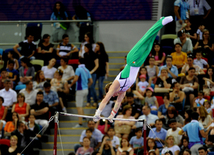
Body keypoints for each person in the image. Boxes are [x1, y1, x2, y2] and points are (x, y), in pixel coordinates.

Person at [94, 16, 173, 122]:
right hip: (138, 64)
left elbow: (105, 99)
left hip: (131, 60)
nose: (113, 96)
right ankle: (160, 23)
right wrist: (112, 116)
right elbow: (118, 103)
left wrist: (97, 113)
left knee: (145, 39)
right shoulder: (123, 91)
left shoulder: (115, 85)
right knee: (150, 43)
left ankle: (161, 21)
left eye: (112, 94)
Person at [69, 58, 93, 127]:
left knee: (78, 106)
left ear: (78, 62)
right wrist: (86, 86)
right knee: (81, 105)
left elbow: (75, 79)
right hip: (86, 90)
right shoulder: (87, 70)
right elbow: (91, 81)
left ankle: (80, 123)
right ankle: (83, 116)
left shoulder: (78, 69)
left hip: (80, 90)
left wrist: (70, 85)